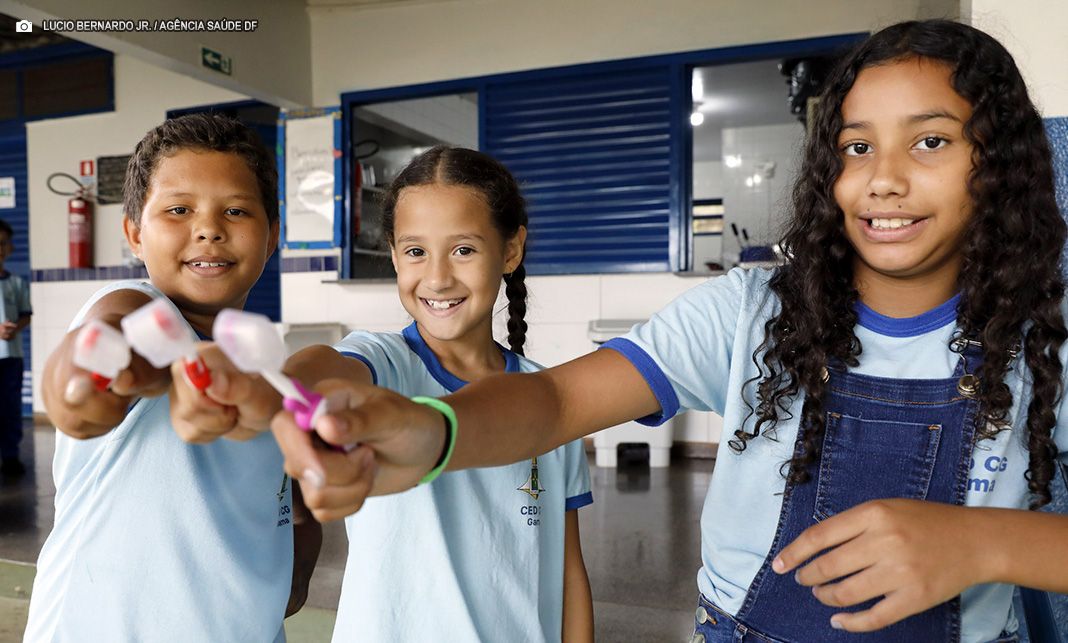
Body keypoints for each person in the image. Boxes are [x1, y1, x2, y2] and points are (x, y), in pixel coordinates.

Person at [272, 20, 1068, 643]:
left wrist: (986, 543)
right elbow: (550, 403)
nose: (884, 176)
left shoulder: (1047, 337)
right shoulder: (750, 311)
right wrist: (431, 429)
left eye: (930, 140)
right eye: (858, 145)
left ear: (998, 162)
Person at [280, 146, 594, 642]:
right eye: (416, 251)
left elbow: (567, 570)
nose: (438, 276)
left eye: (464, 249)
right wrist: (289, 391)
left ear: (511, 250)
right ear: (394, 255)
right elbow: (325, 368)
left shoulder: (550, 399)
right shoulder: (383, 364)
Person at [25, 113, 317, 642]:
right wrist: (85, 384)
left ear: (271, 236)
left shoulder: (260, 365)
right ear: (135, 233)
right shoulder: (134, 307)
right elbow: (101, 354)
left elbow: (292, 498)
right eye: (178, 210)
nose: (208, 228)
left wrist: (294, 564)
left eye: (235, 210)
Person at [0, 218, 31, 478]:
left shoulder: (17, 284)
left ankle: (10, 456)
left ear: (9, 248)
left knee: (10, 407)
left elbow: (26, 315)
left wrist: (14, 328)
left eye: (2, 243)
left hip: (12, 358)